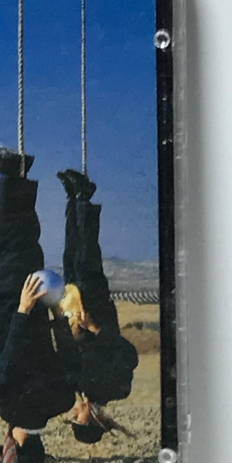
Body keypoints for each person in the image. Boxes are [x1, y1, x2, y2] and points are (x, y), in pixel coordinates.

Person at [0, 144, 79, 463]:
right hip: (11, 307)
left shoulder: (61, 401)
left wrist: (57, 315)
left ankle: (20, 173)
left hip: (40, 305)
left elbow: (68, 355)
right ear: (18, 446)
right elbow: (10, 358)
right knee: (2, 241)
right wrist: (21, 311)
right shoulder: (8, 407)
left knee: (26, 242)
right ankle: (6, 170)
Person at [56, 168, 139, 443]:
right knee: (86, 253)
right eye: (77, 418)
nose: (74, 413)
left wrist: (72, 331)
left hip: (73, 309)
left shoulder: (78, 386)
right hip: (97, 307)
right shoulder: (116, 389)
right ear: (91, 420)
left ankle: (72, 199)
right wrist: (94, 328)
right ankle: (84, 196)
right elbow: (128, 354)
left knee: (70, 254)